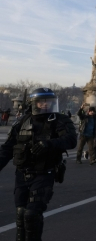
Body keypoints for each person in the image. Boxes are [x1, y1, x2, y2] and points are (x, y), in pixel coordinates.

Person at [0, 88, 77, 240]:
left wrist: (49, 144)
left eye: (48, 102)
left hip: (44, 172)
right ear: (34, 103)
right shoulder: (23, 121)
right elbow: (8, 147)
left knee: (32, 214)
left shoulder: (60, 120)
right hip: (22, 172)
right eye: (42, 102)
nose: (45, 105)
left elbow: (71, 140)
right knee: (21, 213)